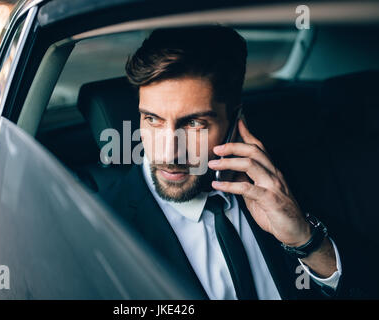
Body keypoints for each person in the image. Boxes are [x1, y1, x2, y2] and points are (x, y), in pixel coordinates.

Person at [100, 26, 377, 299]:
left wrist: (307, 242)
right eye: (152, 119)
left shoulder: (282, 182)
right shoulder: (103, 223)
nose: (168, 153)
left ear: (235, 120)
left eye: (194, 123)